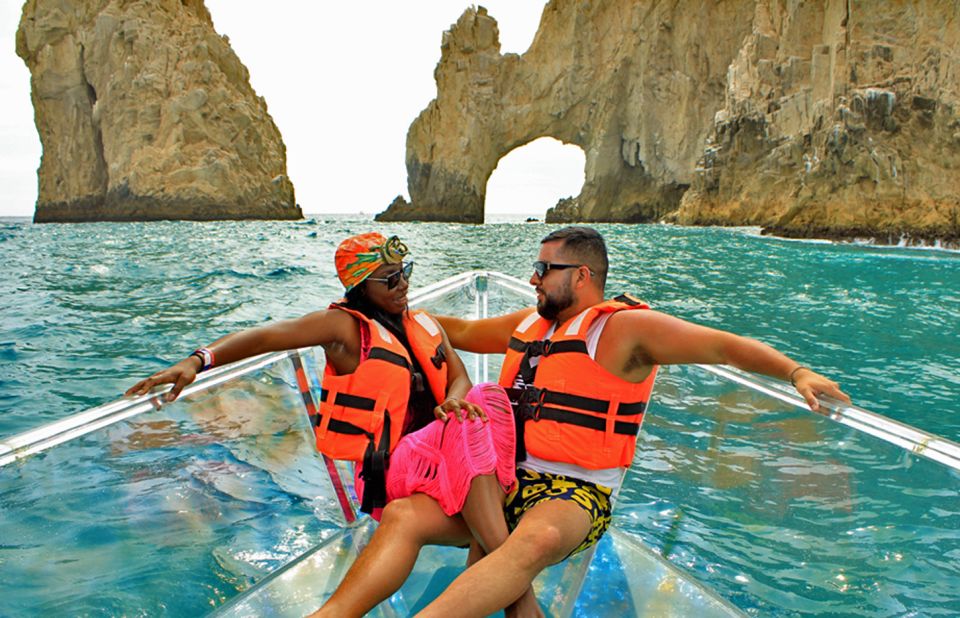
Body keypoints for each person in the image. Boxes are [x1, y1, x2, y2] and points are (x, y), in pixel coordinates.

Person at [413, 226, 852, 617]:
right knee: (485, 569)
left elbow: (722, 348)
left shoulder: (625, 330)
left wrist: (796, 372)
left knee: (534, 542)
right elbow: (465, 334)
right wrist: (397, 318)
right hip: (507, 477)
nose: (533, 278)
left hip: (577, 491)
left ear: (581, 276)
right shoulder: (533, 324)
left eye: (544, 268)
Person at [125, 232, 517, 616]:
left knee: (485, 395)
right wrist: (198, 360)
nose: (404, 285)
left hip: (442, 455)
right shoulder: (344, 328)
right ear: (361, 287)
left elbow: (458, 376)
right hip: (393, 471)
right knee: (471, 434)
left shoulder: (425, 324)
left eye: (406, 271)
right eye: (391, 279)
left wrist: (454, 399)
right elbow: (268, 336)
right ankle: (514, 584)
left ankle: (494, 577)